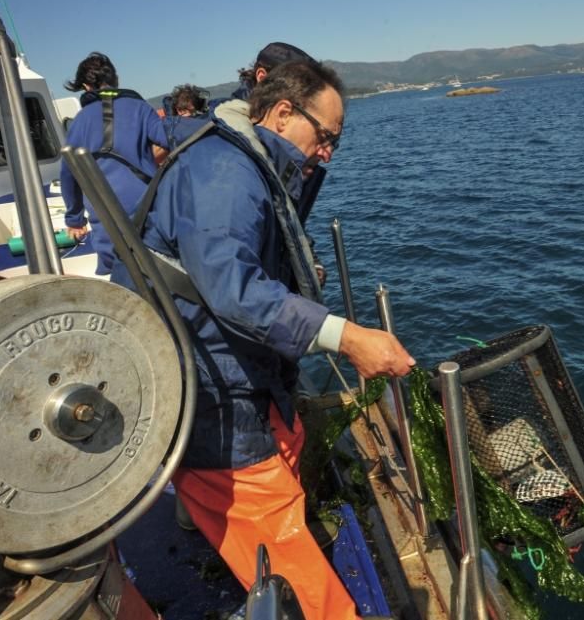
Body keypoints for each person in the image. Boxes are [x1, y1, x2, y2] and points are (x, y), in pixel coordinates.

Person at [113, 60, 411, 620]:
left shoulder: (246, 160)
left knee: (290, 434)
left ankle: (249, 523)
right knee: (283, 550)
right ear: (280, 112)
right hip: (204, 385)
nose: (326, 153)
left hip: (238, 363)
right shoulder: (223, 172)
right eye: (325, 137)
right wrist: (347, 337)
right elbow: (234, 288)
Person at [58, 52, 168, 274]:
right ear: (116, 80)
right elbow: (169, 139)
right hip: (147, 205)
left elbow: (69, 172)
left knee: (119, 273)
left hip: (105, 212)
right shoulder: (140, 108)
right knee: (161, 268)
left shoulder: (80, 120)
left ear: (87, 86)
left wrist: (74, 219)